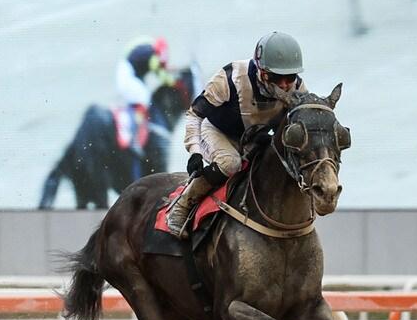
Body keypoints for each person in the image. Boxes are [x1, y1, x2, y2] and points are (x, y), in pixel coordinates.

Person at [166, 33, 308, 238]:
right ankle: (182, 205)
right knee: (230, 163)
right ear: (262, 71)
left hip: (251, 139)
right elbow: (194, 114)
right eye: (278, 77)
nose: (285, 85)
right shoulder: (231, 77)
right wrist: (195, 152)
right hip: (217, 131)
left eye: (291, 77)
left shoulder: (298, 88)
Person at [116, 37, 172, 152]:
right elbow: (160, 74)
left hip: (126, 72)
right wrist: (173, 82)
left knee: (140, 98)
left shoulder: (148, 47)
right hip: (128, 75)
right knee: (144, 98)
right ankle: (134, 131)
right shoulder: (152, 54)